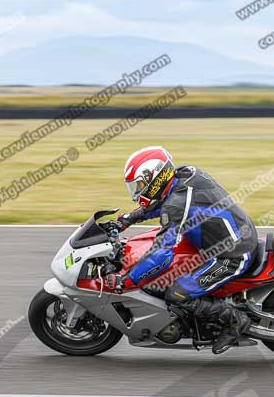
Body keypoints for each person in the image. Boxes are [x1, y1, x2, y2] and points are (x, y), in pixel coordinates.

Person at [106, 146, 258, 354]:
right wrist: (128, 219)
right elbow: (163, 205)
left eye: (140, 184)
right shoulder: (184, 177)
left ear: (155, 178)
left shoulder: (177, 203)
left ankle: (236, 321)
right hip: (225, 237)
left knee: (178, 294)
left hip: (232, 254)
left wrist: (127, 281)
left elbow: (162, 253)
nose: (137, 190)